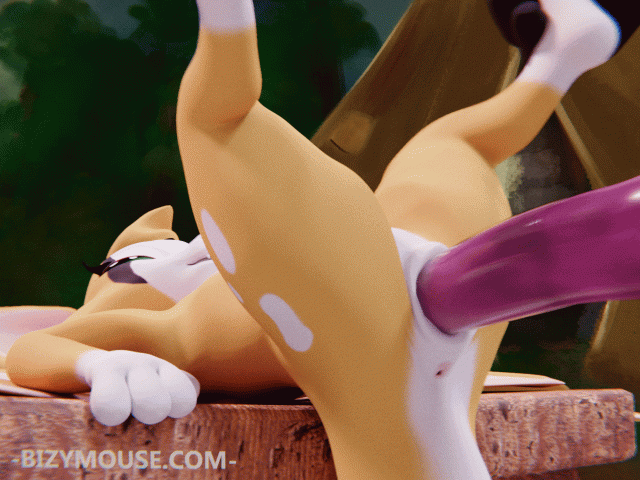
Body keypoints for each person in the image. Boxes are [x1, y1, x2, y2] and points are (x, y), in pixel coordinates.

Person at [7, 0, 639, 478]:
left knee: (451, 145)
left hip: (398, 249)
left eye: (175, 244)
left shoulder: (229, 271)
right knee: (212, 125)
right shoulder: (168, 331)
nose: (179, 248)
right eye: (123, 267)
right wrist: (100, 363)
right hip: (345, 319)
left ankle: (563, 55)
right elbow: (31, 351)